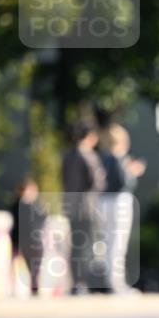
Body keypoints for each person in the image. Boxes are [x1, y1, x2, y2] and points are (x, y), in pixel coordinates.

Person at [98, 124, 146, 295]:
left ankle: (109, 281)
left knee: (108, 242)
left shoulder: (104, 158)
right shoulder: (118, 158)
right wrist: (132, 171)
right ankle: (116, 283)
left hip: (104, 201)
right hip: (119, 202)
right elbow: (122, 181)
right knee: (117, 244)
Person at [61, 121, 106, 294]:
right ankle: (83, 282)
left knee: (76, 244)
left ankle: (76, 282)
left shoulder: (67, 156)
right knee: (86, 245)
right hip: (86, 206)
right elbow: (97, 183)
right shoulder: (89, 156)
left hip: (71, 205)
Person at [9, 178, 47, 295]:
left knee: (35, 268)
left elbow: (42, 221)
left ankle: (34, 288)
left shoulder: (37, 205)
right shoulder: (18, 205)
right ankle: (17, 289)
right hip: (21, 241)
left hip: (35, 241)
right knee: (19, 266)